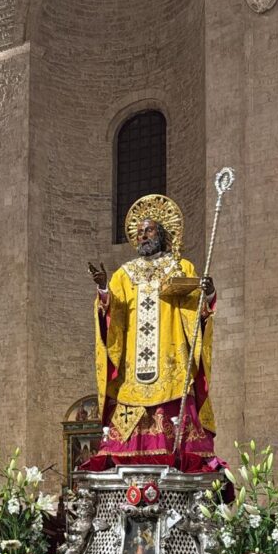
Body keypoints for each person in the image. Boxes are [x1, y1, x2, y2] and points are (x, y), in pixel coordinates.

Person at [84, 194, 220, 472]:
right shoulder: (124, 274)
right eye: (139, 232)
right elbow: (112, 317)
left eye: (148, 230)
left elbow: (196, 315)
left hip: (172, 367)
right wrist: (104, 290)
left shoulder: (181, 267)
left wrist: (208, 294)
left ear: (161, 233)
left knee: (177, 424)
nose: (143, 236)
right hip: (132, 371)